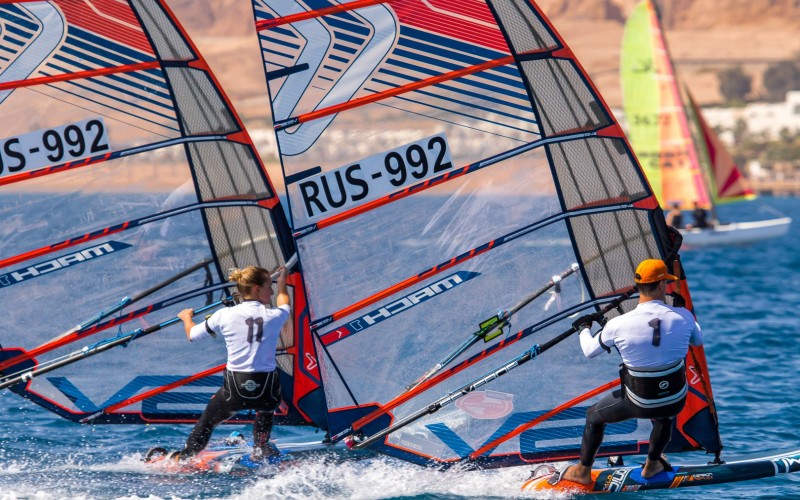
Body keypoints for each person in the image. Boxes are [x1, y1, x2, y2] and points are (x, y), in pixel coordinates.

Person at [558, 259, 702, 485]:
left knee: (593, 416)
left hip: (639, 402)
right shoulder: (683, 316)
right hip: (675, 400)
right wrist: (683, 310)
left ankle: (582, 472)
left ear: (638, 287)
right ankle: (652, 463)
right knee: (664, 413)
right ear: (662, 285)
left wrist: (583, 328)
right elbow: (698, 340)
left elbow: (589, 351)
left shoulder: (618, 324)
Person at [173, 265, 290, 461]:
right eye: (269, 286)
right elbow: (284, 301)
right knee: (267, 406)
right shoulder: (275, 316)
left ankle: (184, 458)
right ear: (256, 289)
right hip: (267, 392)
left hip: (235, 391)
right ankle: (260, 448)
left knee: (207, 422)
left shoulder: (224, 314)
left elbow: (192, 335)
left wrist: (186, 318)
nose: (272, 292)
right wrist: (283, 281)